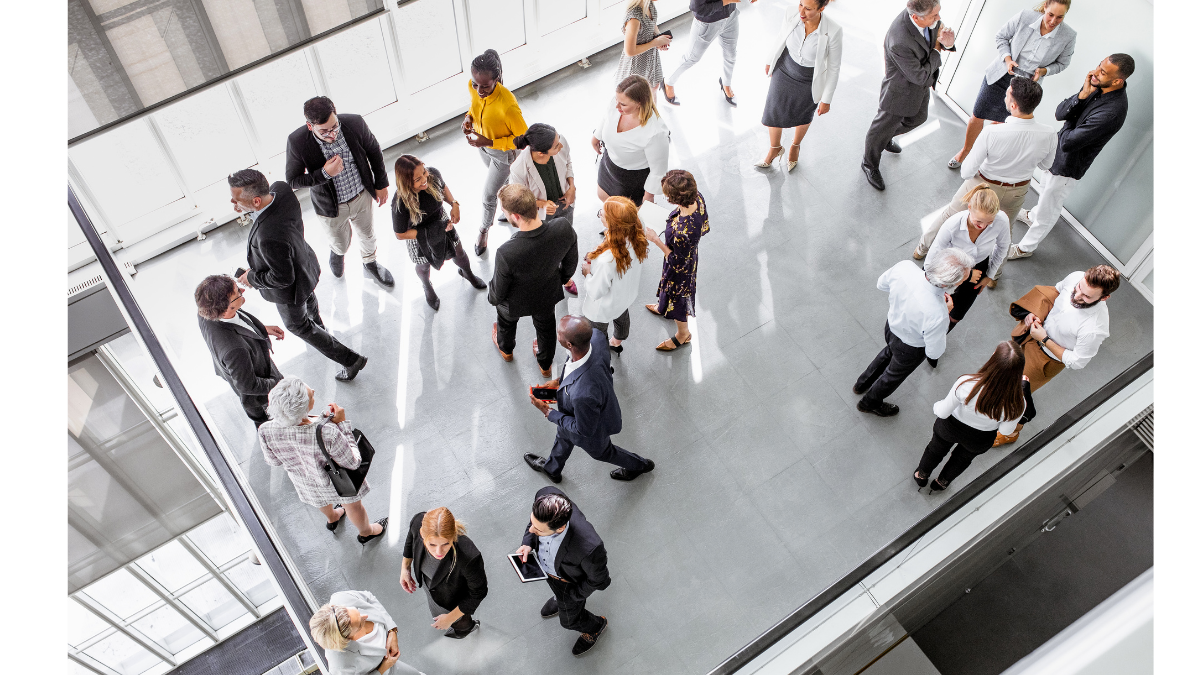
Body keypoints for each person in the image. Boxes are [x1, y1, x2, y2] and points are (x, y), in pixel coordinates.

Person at [229, 169, 367, 382]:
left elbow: (282, 278)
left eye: (236, 200)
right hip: (305, 264)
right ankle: (319, 327)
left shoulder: (268, 236)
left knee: (298, 325)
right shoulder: (281, 189)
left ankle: (350, 360)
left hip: (289, 290)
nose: (233, 203)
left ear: (256, 201)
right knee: (309, 299)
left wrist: (252, 278)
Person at [915, 77, 1055, 271]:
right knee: (1006, 231)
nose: (1004, 96)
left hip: (983, 185)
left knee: (950, 214)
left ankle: (922, 249)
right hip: (1018, 190)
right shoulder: (1049, 134)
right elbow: (1046, 164)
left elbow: (966, 171)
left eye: (1007, 94)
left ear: (1013, 105)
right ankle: (994, 274)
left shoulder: (993, 132)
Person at [1008, 54, 1133, 260]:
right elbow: (1060, 113)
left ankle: (1025, 248)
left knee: (1051, 206)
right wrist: (1083, 94)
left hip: (1069, 165)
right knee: (1046, 190)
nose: (1095, 72)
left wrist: (1068, 123)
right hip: (1057, 155)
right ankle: (1033, 215)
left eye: (1103, 72)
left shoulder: (1112, 111)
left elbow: (1069, 142)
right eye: (1098, 65)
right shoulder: (1096, 87)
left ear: (1118, 81)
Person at [525, 315, 656, 482]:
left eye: (559, 333)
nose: (557, 335)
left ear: (569, 344)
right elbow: (587, 370)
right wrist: (559, 382)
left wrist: (548, 411)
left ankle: (640, 465)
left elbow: (584, 429)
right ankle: (552, 469)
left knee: (603, 452)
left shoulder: (583, 395)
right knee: (563, 435)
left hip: (592, 429)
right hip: (580, 409)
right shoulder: (597, 338)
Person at [997, 265, 1117, 445]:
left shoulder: (1095, 328)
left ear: (1104, 297)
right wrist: (1032, 314)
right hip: (1030, 334)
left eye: (1086, 296)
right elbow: (1056, 291)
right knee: (1002, 371)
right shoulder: (1076, 276)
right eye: (1079, 288)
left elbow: (1077, 362)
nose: (1077, 296)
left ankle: (1011, 433)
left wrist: (1044, 339)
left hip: (1045, 359)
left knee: (1016, 392)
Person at [948, 0, 1076, 169]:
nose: (1053, 21)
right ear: (1045, 7)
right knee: (977, 115)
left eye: (1060, 17)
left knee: (1001, 124)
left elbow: (1063, 63)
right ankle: (966, 151)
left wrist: (1044, 71)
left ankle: (980, 155)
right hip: (1000, 75)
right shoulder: (1025, 16)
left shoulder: (1068, 35)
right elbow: (1001, 36)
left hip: (1025, 88)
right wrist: (1007, 59)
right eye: (1051, 14)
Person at [259, 377, 387, 544]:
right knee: (353, 507)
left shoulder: (265, 430)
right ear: (303, 408)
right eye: (310, 395)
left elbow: (274, 462)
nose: (313, 391)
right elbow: (354, 462)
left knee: (320, 501)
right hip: (337, 483)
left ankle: (333, 517)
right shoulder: (328, 433)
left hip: (304, 482)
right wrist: (341, 424)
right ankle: (366, 532)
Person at [285, 96, 394, 288]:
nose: (332, 134)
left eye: (335, 127)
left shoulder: (354, 122)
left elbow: (373, 150)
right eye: (324, 131)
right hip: (331, 208)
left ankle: (370, 263)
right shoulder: (297, 141)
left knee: (368, 235)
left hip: (361, 194)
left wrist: (381, 183)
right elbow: (293, 181)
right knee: (341, 243)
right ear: (310, 126)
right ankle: (337, 252)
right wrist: (325, 173)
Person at [853, 248, 974, 416]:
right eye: (963, 280)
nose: (963, 283)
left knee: (888, 352)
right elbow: (934, 352)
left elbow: (881, 284)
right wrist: (946, 312)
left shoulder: (905, 268)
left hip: (891, 327)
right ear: (946, 285)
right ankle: (869, 403)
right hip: (910, 348)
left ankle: (862, 383)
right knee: (893, 375)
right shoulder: (938, 314)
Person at [916, 341, 1036, 492]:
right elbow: (1006, 431)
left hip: (950, 427)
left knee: (934, 450)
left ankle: (922, 476)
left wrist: (936, 404)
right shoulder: (1018, 403)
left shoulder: (967, 383)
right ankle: (941, 482)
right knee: (961, 460)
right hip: (980, 439)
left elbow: (942, 412)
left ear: (993, 358)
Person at [861, 0, 956, 190]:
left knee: (919, 118)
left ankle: (885, 138)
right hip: (900, 90)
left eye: (939, 13)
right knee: (880, 128)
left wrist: (948, 44)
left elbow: (937, 39)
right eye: (934, 16)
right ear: (915, 17)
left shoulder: (929, 17)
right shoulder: (899, 40)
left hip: (920, 85)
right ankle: (869, 164)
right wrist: (938, 50)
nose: (939, 19)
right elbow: (920, 76)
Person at [488, 185, 579, 379]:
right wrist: (561, 279)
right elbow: (571, 261)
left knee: (505, 323)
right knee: (546, 328)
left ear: (516, 216)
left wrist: (492, 298)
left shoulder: (507, 252)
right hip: (546, 293)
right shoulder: (562, 227)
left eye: (504, 212)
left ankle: (506, 350)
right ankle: (545, 364)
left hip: (513, 303)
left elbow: (499, 292)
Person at [514, 487, 612, 656]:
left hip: (570, 584)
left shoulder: (589, 548)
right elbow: (532, 524)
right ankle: (559, 599)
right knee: (557, 592)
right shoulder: (545, 497)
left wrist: (575, 595)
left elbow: (600, 579)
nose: (531, 530)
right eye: (533, 523)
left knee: (569, 621)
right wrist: (528, 542)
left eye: (538, 531)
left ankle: (596, 626)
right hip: (552, 573)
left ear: (559, 528)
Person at [391, 155, 487, 311]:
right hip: (418, 234)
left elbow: (443, 188)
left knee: (459, 252)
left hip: (441, 222)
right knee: (423, 265)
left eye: (424, 172)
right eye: (417, 179)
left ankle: (467, 273)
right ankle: (427, 286)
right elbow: (400, 234)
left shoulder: (433, 175)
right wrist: (431, 233)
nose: (424, 179)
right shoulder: (400, 202)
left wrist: (454, 204)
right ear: (406, 182)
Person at [757, 0, 843, 171]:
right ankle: (775, 148)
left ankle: (795, 145)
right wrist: (769, 59)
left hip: (809, 79)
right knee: (773, 110)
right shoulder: (791, 13)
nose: (802, 11)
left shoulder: (833, 31)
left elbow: (834, 68)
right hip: (785, 68)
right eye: (801, 4)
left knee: (803, 113)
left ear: (822, 8)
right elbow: (781, 36)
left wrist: (827, 99)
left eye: (808, 8)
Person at [463, 49, 529, 256]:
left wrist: (490, 141)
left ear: (497, 79)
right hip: (482, 148)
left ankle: (483, 230)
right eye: (475, 84)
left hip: (502, 154)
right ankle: (510, 210)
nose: (479, 90)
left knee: (489, 195)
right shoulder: (473, 87)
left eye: (485, 86)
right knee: (507, 183)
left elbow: (523, 141)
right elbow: (475, 107)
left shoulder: (508, 105)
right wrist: (468, 119)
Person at [194, 275, 284, 427]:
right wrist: (278, 384)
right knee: (269, 424)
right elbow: (248, 385)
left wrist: (262, 330)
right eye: (238, 293)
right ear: (225, 309)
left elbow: (238, 324)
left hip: (246, 365)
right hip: (262, 396)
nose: (243, 290)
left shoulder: (206, 313)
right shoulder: (235, 350)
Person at [921, 186, 1009, 331]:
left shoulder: (1002, 220)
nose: (984, 226)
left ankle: (942, 334)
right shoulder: (952, 225)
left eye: (989, 222)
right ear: (969, 207)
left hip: (979, 266)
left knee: (958, 313)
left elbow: (1002, 248)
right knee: (932, 303)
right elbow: (932, 258)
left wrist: (989, 276)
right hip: (951, 265)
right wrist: (965, 276)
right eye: (979, 221)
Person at [509, 123, 580, 296]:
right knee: (546, 248)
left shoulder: (560, 142)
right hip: (541, 214)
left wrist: (572, 187)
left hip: (565, 204)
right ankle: (552, 277)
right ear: (541, 152)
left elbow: (568, 162)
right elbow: (519, 197)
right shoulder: (518, 169)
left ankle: (565, 277)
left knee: (565, 240)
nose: (560, 145)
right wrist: (541, 204)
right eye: (556, 146)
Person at [644, 170, 708, 351]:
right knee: (667, 284)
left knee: (679, 297)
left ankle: (683, 334)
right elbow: (703, 226)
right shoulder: (698, 197)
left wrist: (655, 239)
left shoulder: (683, 231)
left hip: (680, 267)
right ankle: (663, 305)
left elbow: (675, 262)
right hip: (687, 255)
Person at [399, 507, 487, 639]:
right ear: (422, 535)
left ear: (453, 536)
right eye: (432, 544)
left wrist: (450, 619)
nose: (439, 552)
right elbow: (410, 539)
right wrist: (405, 567)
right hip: (433, 588)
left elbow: (479, 592)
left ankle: (466, 628)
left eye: (446, 543)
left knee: (460, 622)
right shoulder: (418, 522)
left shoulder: (469, 557)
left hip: (453, 600)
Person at [581, 197, 649, 353]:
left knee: (597, 332)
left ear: (613, 224)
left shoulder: (607, 260)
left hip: (603, 306)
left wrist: (587, 274)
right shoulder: (638, 227)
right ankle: (617, 342)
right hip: (626, 294)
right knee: (621, 316)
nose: (599, 215)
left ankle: (603, 354)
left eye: (602, 215)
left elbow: (595, 291)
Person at [592, 75, 671, 207]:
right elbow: (607, 117)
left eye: (623, 104)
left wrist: (648, 196)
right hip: (609, 164)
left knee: (627, 212)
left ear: (639, 103)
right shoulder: (617, 103)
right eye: (617, 99)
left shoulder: (656, 132)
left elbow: (658, 171)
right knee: (604, 196)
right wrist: (596, 136)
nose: (616, 105)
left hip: (632, 178)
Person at [662, 0, 758, 107]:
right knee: (691, 58)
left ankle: (726, 83)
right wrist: (727, 1)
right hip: (707, 24)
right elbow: (698, 8)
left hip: (731, 16)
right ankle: (668, 82)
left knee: (731, 55)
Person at [309, 591, 423, 675]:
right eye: (359, 624)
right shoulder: (340, 664)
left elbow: (369, 597)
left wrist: (392, 630)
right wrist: (383, 668)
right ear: (346, 639)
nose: (366, 616)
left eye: (357, 611)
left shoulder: (341, 598)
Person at [616, 0, 671, 94]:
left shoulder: (649, 4)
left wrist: (658, 36)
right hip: (637, 64)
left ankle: (652, 108)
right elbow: (629, 51)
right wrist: (655, 42)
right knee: (640, 95)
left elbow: (652, 23)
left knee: (654, 87)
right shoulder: (634, 18)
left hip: (651, 56)